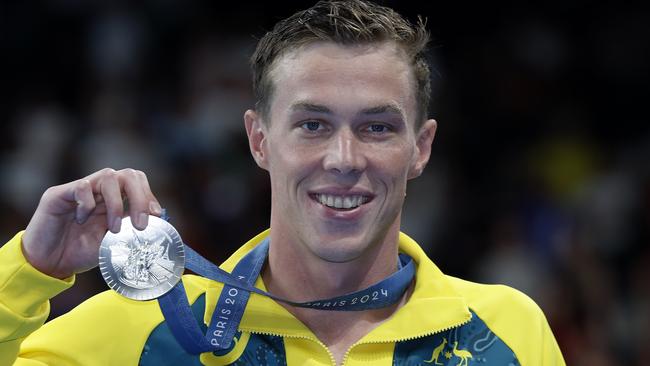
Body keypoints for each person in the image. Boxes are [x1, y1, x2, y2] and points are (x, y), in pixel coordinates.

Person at [0, 0, 565, 365]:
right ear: (259, 140)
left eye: (377, 126)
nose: (345, 158)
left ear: (420, 147)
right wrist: (28, 270)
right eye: (312, 124)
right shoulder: (142, 332)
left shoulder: (505, 333)